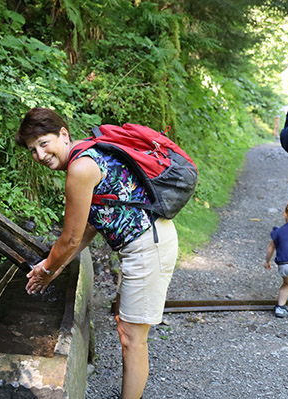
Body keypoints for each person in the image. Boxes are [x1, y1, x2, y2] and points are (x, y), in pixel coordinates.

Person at [15, 107, 178, 399]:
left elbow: (70, 238)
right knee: (128, 330)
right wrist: (60, 265)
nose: (40, 155)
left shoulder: (80, 168)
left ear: (63, 134)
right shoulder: (87, 154)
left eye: (43, 143)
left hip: (147, 246)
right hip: (146, 243)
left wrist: (48, 269)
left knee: (132, 339)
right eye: (32, 150)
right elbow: (92, 222)